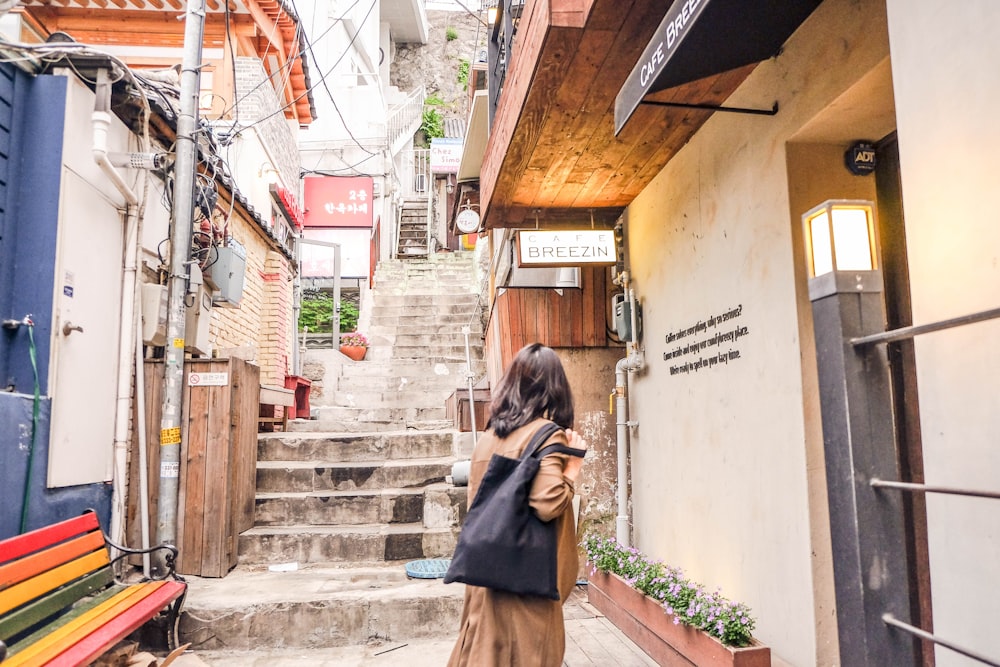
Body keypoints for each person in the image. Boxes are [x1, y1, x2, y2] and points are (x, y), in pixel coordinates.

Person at [447, 343, 588, 667]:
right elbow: (548, 501)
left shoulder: (490, 436)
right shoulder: (547, 436)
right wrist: (572, 467)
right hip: (527, 587)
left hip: (485, 579)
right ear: (556, 389)